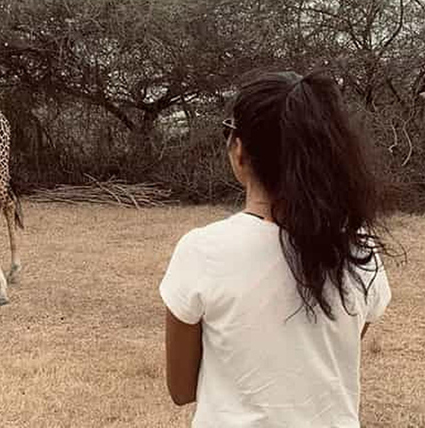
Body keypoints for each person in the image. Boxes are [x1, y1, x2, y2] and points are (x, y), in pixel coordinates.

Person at [159, 69, 392, 427]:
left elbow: (182, 389)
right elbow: (335, 353)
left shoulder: (202, 251)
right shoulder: (359, 250)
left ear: (239, 151)